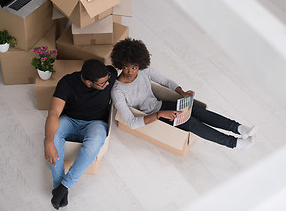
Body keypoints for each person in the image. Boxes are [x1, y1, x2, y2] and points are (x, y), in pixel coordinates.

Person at [110, 38, 257, 150]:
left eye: (134, 67)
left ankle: (239, 128)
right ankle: (234, 143)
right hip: (153, 117)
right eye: (126, 67)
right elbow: (131, 123)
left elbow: (166, 81)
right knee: (192, 123)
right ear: (120, 65)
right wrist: (159, 115)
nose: (130, 71)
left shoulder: (143, 71)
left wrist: (182, 92)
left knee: (197, 111)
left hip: (161, 105)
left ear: (140, 65)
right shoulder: (118, 91)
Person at [44, 59, 117, 209]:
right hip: (70, 120)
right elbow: (53, 113)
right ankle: (58, 184)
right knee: (52, 135)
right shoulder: (67, 82)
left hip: (95, 123)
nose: (107, 84)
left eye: (107, 79)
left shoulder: (110, 75)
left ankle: (63, 187)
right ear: (89, 82)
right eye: (102, 84)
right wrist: (49, 142)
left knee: (95, 142)